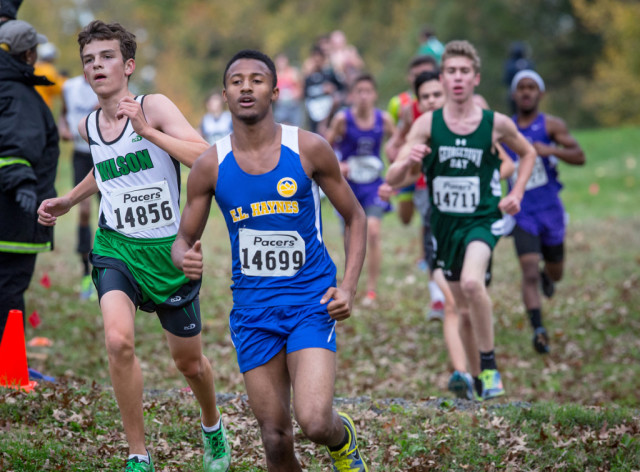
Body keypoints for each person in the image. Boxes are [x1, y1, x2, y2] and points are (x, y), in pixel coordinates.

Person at [37, 20, 230, 472]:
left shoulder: (153, 106)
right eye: (89, 60)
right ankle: (138, 454)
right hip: (116, 247)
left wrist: (147, 130)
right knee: (118, 341)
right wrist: (69, 199)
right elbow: (105, 169)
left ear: (128, 66)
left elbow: (207, 158)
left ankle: (212, 426)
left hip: (167, 254)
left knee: (190, 363)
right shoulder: (88, 125)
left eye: (106, 57)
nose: (96, 66)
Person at [172, 49, 369, 472]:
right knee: (275, 439)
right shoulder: (210, 165)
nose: (246, 87)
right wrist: (184, 258)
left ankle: (342, 436)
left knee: (314, 421)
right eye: (237, 81)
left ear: (276, 91)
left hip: (311, 302)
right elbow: (183, 238)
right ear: (224, 94)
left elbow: (355, 217)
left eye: (257, 79)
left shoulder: (309, 148)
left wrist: (348, 287)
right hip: (253, 310)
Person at [386, 40, 536, 401]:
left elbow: (527, 152)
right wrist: (408, 162)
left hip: (482, 221)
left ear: (476, 78)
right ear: (443, 76)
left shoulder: (494, 123)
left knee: (471, 284)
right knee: (462, 308)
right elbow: (391, 178)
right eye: (451, 71)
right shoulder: (426, 124)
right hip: (445, 228)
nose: (457, 78)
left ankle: (489, 366)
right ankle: (474, 377)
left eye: (464, 71)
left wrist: (515, 193)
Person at [504, 70, 585, 354]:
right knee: (527, 270)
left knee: (557, 271)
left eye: (532, 87)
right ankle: (538, 329)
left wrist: (550, 150)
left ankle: (547, 277)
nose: (526, 92)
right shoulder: (505, 128)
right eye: (521, 88)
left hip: (550, 210)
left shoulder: (551, 125)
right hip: (521, 211)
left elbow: (580, 156)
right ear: (514, 94)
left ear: (540, 93)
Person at [0, 19, 58, 343]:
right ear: (28, 54)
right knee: (9, 291)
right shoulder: (18, 93)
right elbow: (16, 143)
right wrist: (22, 182)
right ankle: (8, 372)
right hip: (13, 219)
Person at [325, 73, 394, 303]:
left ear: (374, 94)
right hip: (348, 186)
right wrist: (338, 164)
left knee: (372, 232)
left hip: (373, 185)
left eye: (368, 91)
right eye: (359, 91)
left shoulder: (383, 120)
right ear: (353, 95)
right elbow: (323, 148)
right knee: (350, 235)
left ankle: (372, 289)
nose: (364, 96)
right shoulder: (343, 120)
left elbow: (397, 144)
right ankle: (349, 285)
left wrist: (395, 171)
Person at [58, 72, 100, 300]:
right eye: (88, 59)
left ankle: (116, 271)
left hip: (105, 152)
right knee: (84, 211)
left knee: (111, 213)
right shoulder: (69, 87)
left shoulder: (105, 83)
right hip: (81, 156)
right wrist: (63, 129)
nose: (93, 65)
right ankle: (86, 273)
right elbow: (63, 115)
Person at [303, 44, 344, 135]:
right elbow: (305, 94)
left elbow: (342, 90)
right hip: (314, 114)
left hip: (329, 115)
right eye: (315, 59)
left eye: (320, 59)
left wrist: (333, 91)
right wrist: (321, 90)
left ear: (323, 59)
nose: (317, 62)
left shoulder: (330, 75)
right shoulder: (308, 78)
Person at [503, 41, 535, 114]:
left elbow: (506, 80)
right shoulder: (529, 63)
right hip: (529, 93)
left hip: (513, 92)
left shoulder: (509, 64)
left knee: (514, 113)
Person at [273, 53, 303, 126]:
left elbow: (300, 87)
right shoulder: (275, 75)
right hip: (281, 105)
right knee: (282, 127)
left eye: (283, 61)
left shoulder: (293, 72)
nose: (281, 63)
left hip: (293, 104)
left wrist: (296, 96)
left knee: (295, 127)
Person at [34, 41, 66, 109]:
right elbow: (59, 89)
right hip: (43, 108)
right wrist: (64, 79)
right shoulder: (49, 70)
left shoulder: (34, 67)